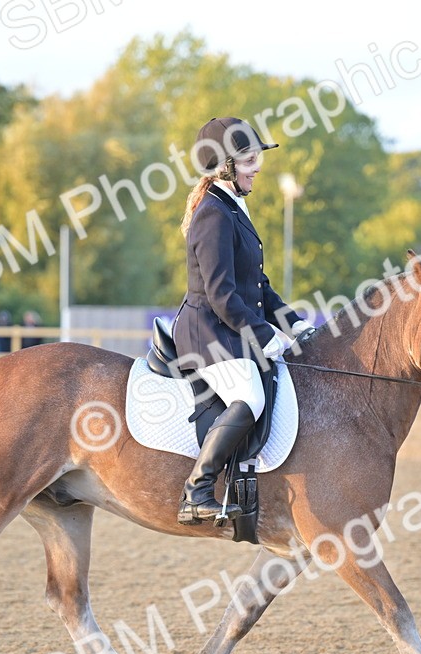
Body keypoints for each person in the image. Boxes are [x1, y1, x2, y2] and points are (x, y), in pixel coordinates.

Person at [172, 116, 317, 524]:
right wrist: (262, 335)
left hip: (228, 327)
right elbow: (221, 295)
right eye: (250, 160)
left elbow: (259, 285)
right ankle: (197, 491)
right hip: (207, 334)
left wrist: (294, 325)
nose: (257, 168)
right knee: (250, 396)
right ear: (225, 166)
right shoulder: (213, 214)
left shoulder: (233, 208)